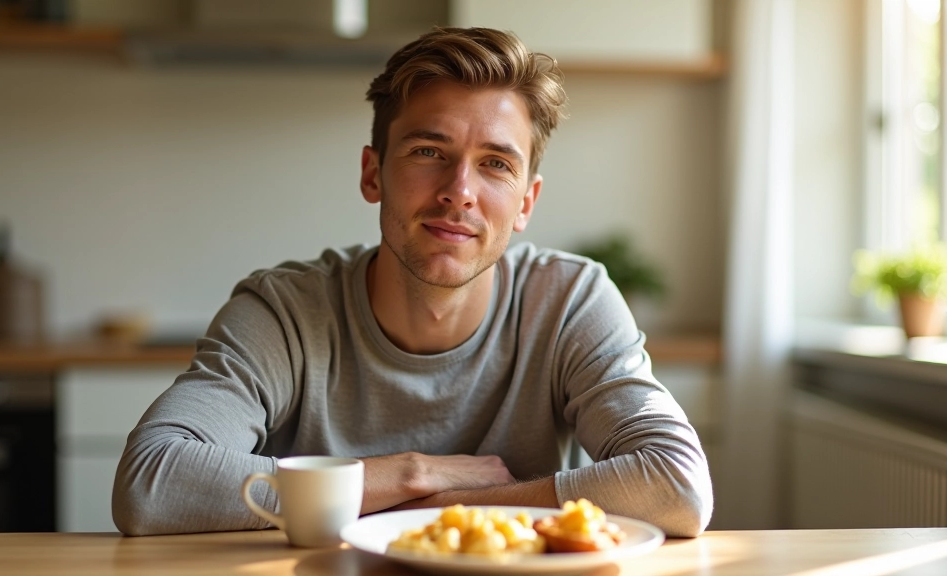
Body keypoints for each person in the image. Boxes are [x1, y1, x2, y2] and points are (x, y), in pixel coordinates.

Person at [112, 26, 713, 538]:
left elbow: (677, 484)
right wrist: (413, 474)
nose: (460, 190)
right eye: (429, 151)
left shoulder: (569, 300)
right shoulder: (285, 312)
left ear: (526, 202)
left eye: (496, 164)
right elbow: (152, 482)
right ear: (373, 174)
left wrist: (452, 509)